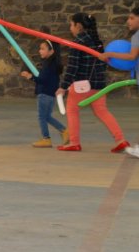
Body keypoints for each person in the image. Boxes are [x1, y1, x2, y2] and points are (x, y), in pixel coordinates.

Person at [56, 13, 129, 153]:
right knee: (102, 111)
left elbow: (72, 67)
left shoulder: (78, 42)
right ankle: (121, 140)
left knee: (72, 110)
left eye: (71, 25)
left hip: (81, 85)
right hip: (98, 85)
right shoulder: (97, 42)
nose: (70, 28)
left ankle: (74, 142)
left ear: (78, 26)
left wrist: (63, 87)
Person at [20, 40, 69, 148]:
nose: (39, 51)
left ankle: (46, 139)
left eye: (42, 49)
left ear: (51, 51)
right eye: (40, 48)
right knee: (47, 117)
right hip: (50, 94)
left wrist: (30, 76)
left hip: (44, 93)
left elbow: (42, 80)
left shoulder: (49, 64)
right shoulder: (53, 64)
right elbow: (47, 78)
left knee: (42, 117)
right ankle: (64, 131)